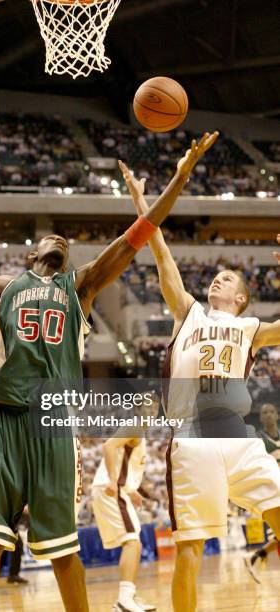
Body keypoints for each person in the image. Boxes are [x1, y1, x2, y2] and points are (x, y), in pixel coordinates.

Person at [0, 131, 217, 612]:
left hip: (52, 419)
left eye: (64, 238)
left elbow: (140, 231)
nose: (60, 238)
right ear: (31, 255)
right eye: (51, 236)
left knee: (63, 549)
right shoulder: (2, 286)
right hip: (3, 419)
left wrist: (179, 178)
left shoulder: (81, 284)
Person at [121, 164, 280, 612]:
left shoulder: (251, 326)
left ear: (242, 297)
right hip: (193, 436)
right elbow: (161, 251)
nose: (218, 278)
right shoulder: (187, 312)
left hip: (238, 434)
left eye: (229, 279)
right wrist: (140, 203)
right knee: (192, 547)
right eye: (216, 275)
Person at [92, 432, 155, 612]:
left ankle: (129, 597)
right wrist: (113, 480)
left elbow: (123, 464)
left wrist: (131, 490)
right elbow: (109, 446)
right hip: (111, 489)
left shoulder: (141, 432)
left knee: (133, 542)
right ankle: (124, 600)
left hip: (116, 489)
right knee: (132, 541)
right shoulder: (135, 424)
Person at [243, 402, 280, 583]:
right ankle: (256, 555)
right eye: (264, 413)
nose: (268, 415)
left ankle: (255, 555)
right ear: (260, 417)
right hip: (273, 493)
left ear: (277, 415)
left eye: (272, 412)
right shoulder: (257, 441)